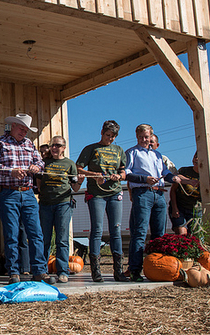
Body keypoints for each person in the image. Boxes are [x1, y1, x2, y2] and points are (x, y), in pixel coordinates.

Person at [0, 113, 55, 285]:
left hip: (28, 193)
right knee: (12, 233)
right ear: (13, 126)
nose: (24, 133)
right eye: (21, 129)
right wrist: (11, 171)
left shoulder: (30, 144)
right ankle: (14, 271)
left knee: (36, 232)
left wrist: (35, 167)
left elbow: (41, 164)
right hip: (8, 193)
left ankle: (39, 270)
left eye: (26, 130)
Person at [125, 124, 181, 282]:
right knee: (140, 232)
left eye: (147, 137)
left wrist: (173, 178)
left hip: (159, 194)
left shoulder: (157, 155)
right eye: (141, 137)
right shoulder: (132, 152)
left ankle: (158, 268)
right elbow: (127, 173)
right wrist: (144, 179)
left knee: (160, 234)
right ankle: (135, 270)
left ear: (151, 137)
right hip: (142, 192)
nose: (144, 140)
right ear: (137, 137)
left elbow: (165, 172)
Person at [76, 120, 128, 283]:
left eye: (113, 136)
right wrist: (94, 174)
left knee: (116, 230)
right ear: (102, 132)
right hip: (96, 194)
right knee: (97, 229)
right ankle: (95, 271)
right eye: (108, 135)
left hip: (115, 192)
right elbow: (78, 168)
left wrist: (119, 176)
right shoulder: (91, 149)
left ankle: (118, 270)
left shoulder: (119, 150)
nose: (110, 139)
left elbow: (123, 171)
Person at [38, 136, 79, 283]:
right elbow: (38, 181)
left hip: (63, 203)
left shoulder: (69, 164)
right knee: (44, 238)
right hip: (45, 204)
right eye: (52, 145)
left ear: (64, 148)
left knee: (62, 238)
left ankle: (63, 271)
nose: (54, 148)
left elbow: (75, 187)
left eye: (58, 145)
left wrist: (81, 179)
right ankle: (42, 271)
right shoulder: (44, 163)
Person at [169, 152, 202, 235]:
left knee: (196, 234)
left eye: (199, 157)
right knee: (181, 232)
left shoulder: (206, 176)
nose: (196, 159)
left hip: (195, 210)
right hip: (180, 206)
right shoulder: (184, 171)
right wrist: (174, 208)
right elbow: (173, 190)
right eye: (195, 157)